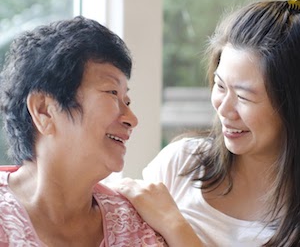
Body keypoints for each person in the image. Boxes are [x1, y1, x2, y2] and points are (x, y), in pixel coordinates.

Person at [0, 16, 203, 246]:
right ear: (44, 110)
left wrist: (174, 224)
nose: (132, 119)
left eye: (127, 100)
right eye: (112, 93)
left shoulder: (137, 227)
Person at [117, 0, 300, 247]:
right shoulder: (179, 164)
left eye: (244, 97)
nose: (224, 109)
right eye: (220, 85)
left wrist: (176, 226)